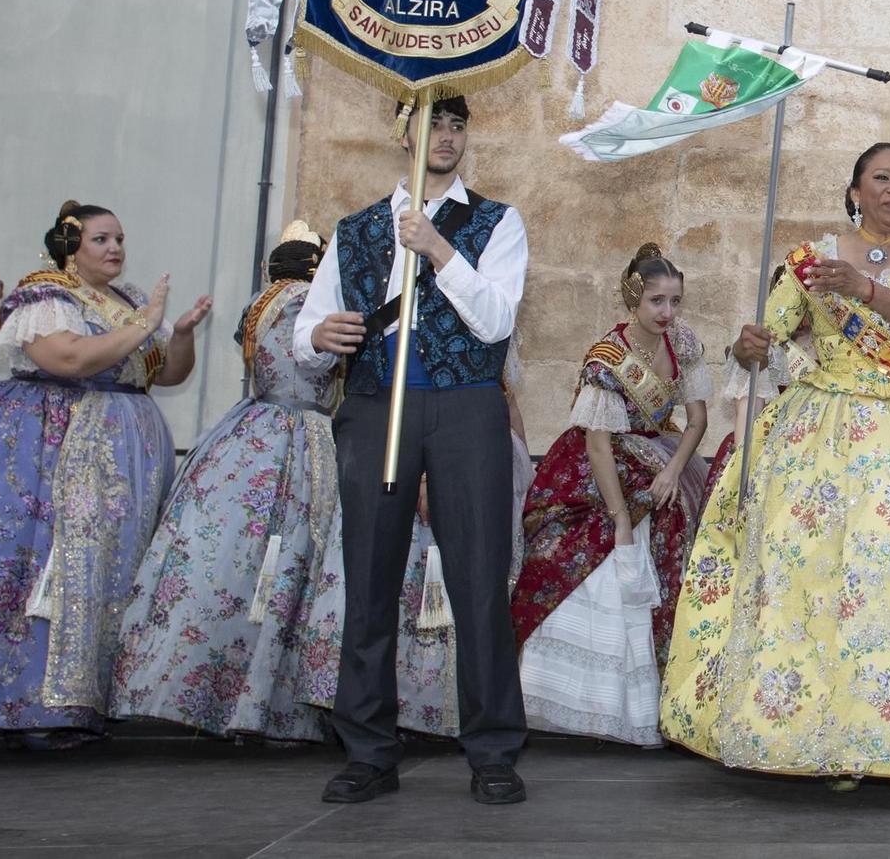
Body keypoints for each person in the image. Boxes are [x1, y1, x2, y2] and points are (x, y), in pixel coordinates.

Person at [662, 142, 890, 789]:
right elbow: (768, 339)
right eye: (881, 177)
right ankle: (821, 738)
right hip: (823, 433)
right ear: (856, 190)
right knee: (818, 581)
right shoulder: (811, 260)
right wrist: (748, 345)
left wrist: (863, 287)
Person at [292, 94, 529, 805]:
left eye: (457, 125)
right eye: (433, 124)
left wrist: (438, 249)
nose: (447, 137)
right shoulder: (357, 228)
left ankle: (492, 749)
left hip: (466, 406)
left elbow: (495, 321)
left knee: (479, 578)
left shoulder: (497, 222)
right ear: (405, 133)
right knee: (369, 577)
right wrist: (320, 337)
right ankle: (367, 749)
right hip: (375, 405)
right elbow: (306, 338)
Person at [0, 202, 210, 747]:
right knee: (47, 566)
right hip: (54, 448)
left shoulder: (125, 300)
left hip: (122, 453)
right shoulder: (44, 296)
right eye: (101, 239)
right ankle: (30, 708)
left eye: (119, 239)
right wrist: (144, 323)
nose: (115, 249)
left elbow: (164, 373)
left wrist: (179, 333)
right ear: (71, 247)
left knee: (109, 575)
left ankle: (85, 702)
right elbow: (69, 360)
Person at [112, 224, 338, 741]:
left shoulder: (260, 303)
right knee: (292, 559)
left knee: (229, 557)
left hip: (249, 428)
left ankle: (211, 688)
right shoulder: (310, 303)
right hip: (305, 432)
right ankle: (273, 704)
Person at [512, 242, 711, 746]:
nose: (668, 312)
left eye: (675, 301)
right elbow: (598, 443)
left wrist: (673, 472)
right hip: (599, 467)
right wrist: (620, 517)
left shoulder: (683, 342)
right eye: (657, 301)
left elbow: (697, 421)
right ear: (633, 299)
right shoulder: (607, 359)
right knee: (591, 548)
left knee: (682, 526)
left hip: (662, 454)